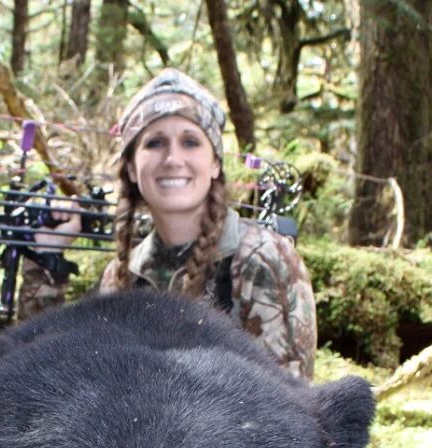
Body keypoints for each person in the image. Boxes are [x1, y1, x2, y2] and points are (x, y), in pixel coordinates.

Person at [19, 69, 317, 380]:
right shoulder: (120, 276)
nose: (173, 158)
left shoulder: (261, 257)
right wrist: (46, 263)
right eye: (155, 143)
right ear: (132, 168)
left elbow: (289, 406)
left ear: (215, 163)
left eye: (190, 142)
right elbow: (45, 376)